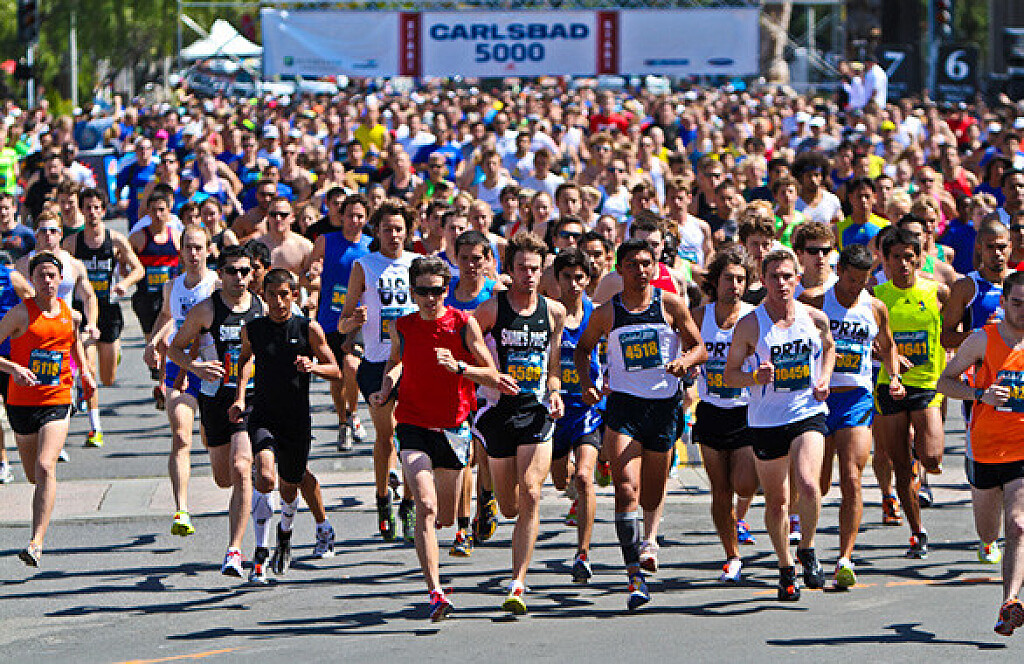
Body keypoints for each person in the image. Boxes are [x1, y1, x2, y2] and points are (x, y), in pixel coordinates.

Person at [373, 255, 516, 620]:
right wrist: (386, 387)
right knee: (426, 505)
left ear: (445, 291)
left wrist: (459, 367)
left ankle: (449, 526)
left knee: (446, 517)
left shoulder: (463, 324)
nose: (429, 298)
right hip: (412, 423)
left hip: (453, 427)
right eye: (422, 291)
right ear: (412, 292)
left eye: (436, 291)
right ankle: (435, 591)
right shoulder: (402, 326)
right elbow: (396, 360)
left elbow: (490, 373)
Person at [575, 238, 706, 609]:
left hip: (663, 409)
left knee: (650, 496)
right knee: (626, 489)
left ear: (655, 266)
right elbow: (583, 349)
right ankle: (634, 574)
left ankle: (646, 543)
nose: (640, 270)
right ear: (620, 269)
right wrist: (587, 383)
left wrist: (685, 362)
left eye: (646, 263)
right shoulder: (607, 312)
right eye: (632, 264)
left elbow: (699, 347)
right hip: (624, 408)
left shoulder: (670, 304)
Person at [724, 247, 835, 601]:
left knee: (809, 484)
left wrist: (824, 378)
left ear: (797, 279)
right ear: (763, 281)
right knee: (777, 501)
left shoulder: (814, 318)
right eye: (774, 277)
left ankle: (808, 548)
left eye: (788, 276)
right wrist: (754, 377)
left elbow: (829, 348)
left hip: (806, 412)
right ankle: (786, 567)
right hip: (766, 420)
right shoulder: (750, 325)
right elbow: (729, 375)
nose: (781, 283)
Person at [473, 231, 566, 614]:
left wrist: (555, 391)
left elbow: (554, 365)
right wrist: (490, 373)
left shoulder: (553, 312)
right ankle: (488, 495)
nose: (529, 275)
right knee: (510, 507)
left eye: (535, 268)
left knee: (531, 492)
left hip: (536, 412)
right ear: (510, 270)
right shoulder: (492, 309)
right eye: (522, 268)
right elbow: (467, 341)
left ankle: (517, 582)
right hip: (498, 413)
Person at [800, 243, 904, 588]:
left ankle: (845, 558)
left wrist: (894, 377)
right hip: (819, 399)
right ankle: (806, 545)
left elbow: (888, 346)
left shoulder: (874, 307)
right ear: (839, 272)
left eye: (863, 280)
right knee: (817, 483)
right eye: (851, 280)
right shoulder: (815, 301)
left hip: (857, 398)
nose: (857, 286)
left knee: (852, 477)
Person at [230, 268, 342, 584]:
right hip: (263, 414)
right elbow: (245, 361)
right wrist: (240, 397)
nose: (278, 302)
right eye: (272, 295)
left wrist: (313, 366)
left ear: (294, 295)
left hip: (296, 419)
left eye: (284, 295)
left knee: (290, 483)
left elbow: (336, 370)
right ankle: (260, 554)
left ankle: (285, 533)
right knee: (265, 477)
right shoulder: (253, 329)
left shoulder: (308, 328)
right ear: (263, 296)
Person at [937, 269, 1024, 636]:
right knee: (989, 531)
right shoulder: (982, 340)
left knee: (1018, 524)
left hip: (1021, 450)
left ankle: (1010, 602)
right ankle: (987, 542)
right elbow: (944, 381)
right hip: (985, 450)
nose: (1023, 310)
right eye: (1017, 303)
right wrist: (980, 395)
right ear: (1003, 303)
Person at [167, 244, 261, 578]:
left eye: (245, 271)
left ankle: (234, 550)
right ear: (220, 275)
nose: (239, 278)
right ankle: (247, 491)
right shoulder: (206, 310)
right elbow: (174, 348)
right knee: (224, 478)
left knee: (241, 467)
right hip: (214, 399)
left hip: (249, 398)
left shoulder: (260, 308)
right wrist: (195, 367)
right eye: (232, 271)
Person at [0, 252, 96, 566]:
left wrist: (85, 373)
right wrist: (13, 368)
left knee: (45, 466)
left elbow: (73, 343)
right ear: (32, 280)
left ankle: (36, 542)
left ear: (60, 279)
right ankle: (42, 505)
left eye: (52, 275)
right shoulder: (20, 314)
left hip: (57, 399)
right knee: (33, 475)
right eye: (40, 275)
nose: (47, 281)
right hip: (21, 402)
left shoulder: (69, 313)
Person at [337, 201, 420, 542]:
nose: (393, 235)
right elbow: (342, 323)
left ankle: (410, 503)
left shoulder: (417, 264)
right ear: (377, 231)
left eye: (399, 229)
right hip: (375, 362)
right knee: (386, 436)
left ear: (407, 232)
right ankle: (383, 499)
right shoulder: (364, 265)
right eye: (387, 229)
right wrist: (353, 321)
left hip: (412, 362)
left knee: (412, 437)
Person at [873, 227, 949, 559]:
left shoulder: (937, 291)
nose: (903, 263)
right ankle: (917, 532)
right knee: (900, 465)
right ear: (885, 260)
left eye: (909, 257)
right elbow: (867, 341)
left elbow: (954, 325)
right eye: (896, 257)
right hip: (890, 386)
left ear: (918, 258)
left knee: (931, 458)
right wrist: (886, 357)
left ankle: (921, 459)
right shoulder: (876, 296)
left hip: (926, 384)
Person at [143, 226, 218, 537]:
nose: (193, 253)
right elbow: (167, 316)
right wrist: (152, 342)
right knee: (180, 437)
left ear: (208, 250)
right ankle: (182, 509)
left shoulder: (217, 284)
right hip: (179, 367)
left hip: (211, 368)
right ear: (181, 250)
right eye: (188, 247)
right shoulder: (172, 286)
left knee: (211, 441)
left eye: (199, 247)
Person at [692, 246, 758, 582]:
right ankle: (732, 556)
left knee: (744, 483)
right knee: (720, 491)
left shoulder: (754, 317)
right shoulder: (699, 317)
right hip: (711, 410)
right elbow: (683, 348)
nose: (734, 285)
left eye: (741, 279)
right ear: (715, 282)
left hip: (746, 410)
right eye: (729, 279)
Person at [443, 229, 505, 553]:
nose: (470, 265)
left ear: (488, 260)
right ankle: (463, 527)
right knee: (464, 456)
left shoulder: (497, 293)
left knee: (483, 454)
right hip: (454, 383)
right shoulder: (446, 293)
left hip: (487, 384)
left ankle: (486, 496)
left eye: (477, 259)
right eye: (464, 258)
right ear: (455, 259)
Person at [549, 248, 605, 584]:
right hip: (556, 409)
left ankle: (582, 553)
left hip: (587, 408)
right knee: (561, 481)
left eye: (579, 277)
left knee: (585, 477)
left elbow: (612, 354)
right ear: (557, 279)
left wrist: (605, 386)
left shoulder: (597, 314)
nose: (573, 284)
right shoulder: (548, 313)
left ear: (588, 280)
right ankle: (570, 484)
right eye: (567, 277)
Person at [306, 193, 371, 450]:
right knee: (336, 376)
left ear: (366, 219)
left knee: (351, 366)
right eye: (350, 215)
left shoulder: (371, 245)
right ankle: (343, 422)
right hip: (330, 317)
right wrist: (313, 272)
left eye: (360, 216)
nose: (355, 221)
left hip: (360, 319)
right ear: (341, 216)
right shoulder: (325, 240)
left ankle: (353, 414)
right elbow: (309, 273)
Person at [64, 188, 144, 396]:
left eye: (96, 207)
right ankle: (91, 408)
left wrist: (125, 283)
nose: (92, 212)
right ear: (81, 210)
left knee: (108, 379)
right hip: (83, 310)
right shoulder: (72, 243)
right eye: (88, 208)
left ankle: (115, 350)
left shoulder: (116, 240)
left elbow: (139, 269)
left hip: (109, 309)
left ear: (103, 211)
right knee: (89, 368)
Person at [129, 187, 181, 396]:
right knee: (151, 337)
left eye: (162, 210)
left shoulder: (176, 236)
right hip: (146, 299)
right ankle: (157, 367)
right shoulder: (139, 238)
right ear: (148, 212)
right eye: (154, 210)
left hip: (169, 297)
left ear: (169, 211)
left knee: (164, 340)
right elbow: (124, 259)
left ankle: (163, 384)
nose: (158, 215)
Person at [0, 259, 33, 484]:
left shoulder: (10, 277)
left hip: (12, 358)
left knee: (18, 415)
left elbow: (34, 305)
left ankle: (34, 456)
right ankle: (3, 462)